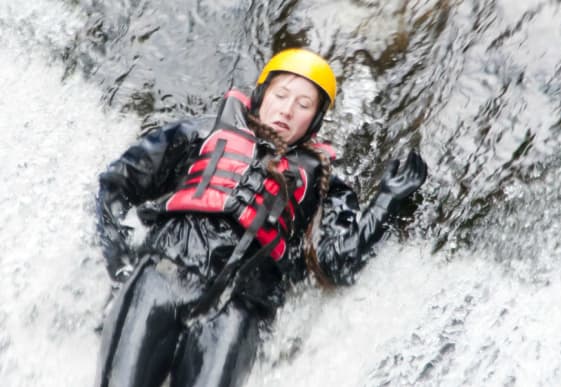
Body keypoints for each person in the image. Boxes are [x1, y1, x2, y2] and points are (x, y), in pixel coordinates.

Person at [93, 48, 427, 387]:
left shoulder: (326, 187)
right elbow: (116, 184)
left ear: (315, 121)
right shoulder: (199, 134)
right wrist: (119, 263)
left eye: (303, 104)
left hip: (239, 309)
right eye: (281, 95)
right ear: (261, 95)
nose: (287, 109)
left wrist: (387, 200)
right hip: (161, 277)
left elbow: (336, 264)